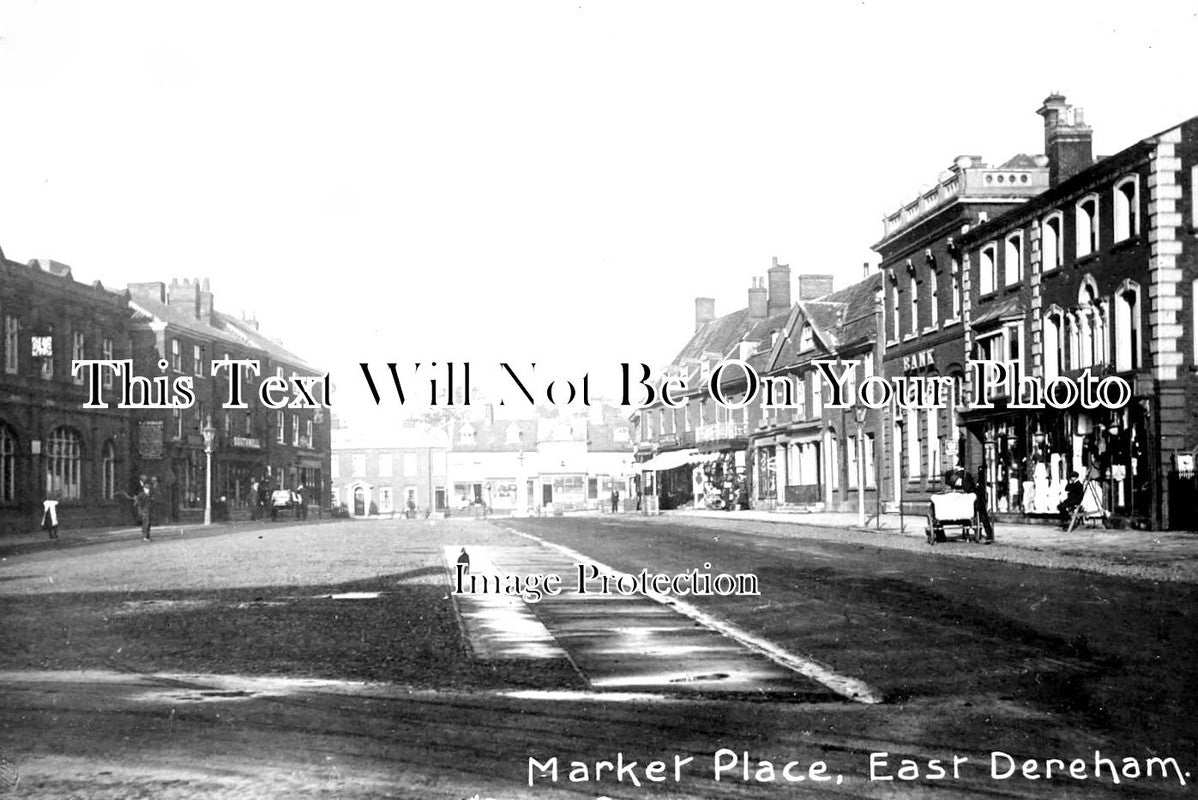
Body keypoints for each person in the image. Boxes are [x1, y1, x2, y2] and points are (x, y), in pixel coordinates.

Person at [962, 465, 995, 543]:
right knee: (983, 518)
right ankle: (988, 534)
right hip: (978, 501)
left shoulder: (967, 479)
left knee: (981, 517)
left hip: (974, 503)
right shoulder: (978, 478)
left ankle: (985, 534)